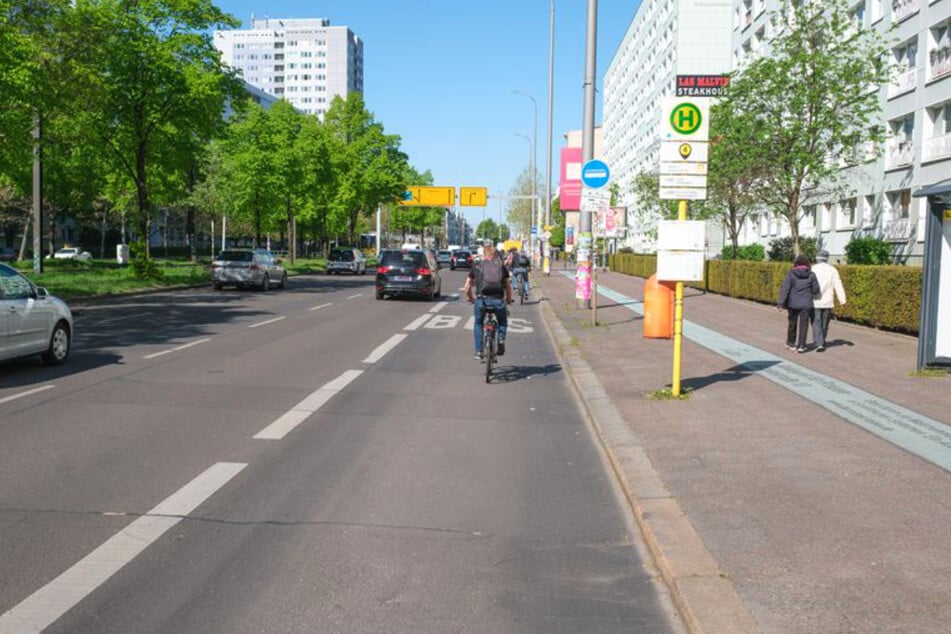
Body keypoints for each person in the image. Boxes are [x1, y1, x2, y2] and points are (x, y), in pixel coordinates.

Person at [464, 240, 512, 360]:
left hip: (481, 300)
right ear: (495, 255)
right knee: (503, 321)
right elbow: (508, 286)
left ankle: (479, 351)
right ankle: (501, 339)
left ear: (484, 255)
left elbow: (467, 286)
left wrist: (470, 298)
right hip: (498, 301)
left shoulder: (477, 265)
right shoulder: (501, 266)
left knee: (478, 323)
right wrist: (508, 300)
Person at [778, 254, 820, 353]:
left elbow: (785, 288)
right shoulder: (811, 274)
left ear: (796, 263)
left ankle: (791, 343)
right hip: (806, 303)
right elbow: (816, 289)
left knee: (792, 323)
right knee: (804, 325)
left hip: (792, 303)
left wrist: (780, 303)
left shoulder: (791, 273)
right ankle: (801, 346)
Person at [811, 249, 847, 352]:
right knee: (825, 322)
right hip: (828, 301)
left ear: (817, 258)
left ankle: (819, 342)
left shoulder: (812, 269)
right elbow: (838, 285)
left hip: (815, 301)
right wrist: (842, 300)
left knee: (816, 322)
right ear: (827, 258)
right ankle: (822, 340)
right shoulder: (833, 270)